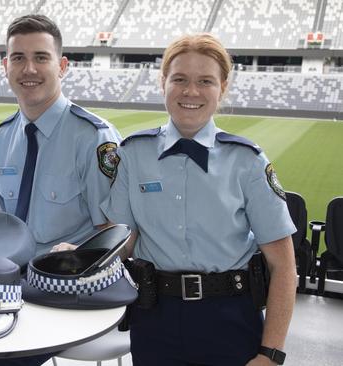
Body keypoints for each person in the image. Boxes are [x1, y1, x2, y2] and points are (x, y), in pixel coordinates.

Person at [96, 34, 296, 365]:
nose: (191, 92)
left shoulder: (247, 161)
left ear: (222, 88)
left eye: (205, 81)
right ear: (163, 82)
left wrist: (271, 353)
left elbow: (283, 265)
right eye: (180, 79)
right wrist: (81, 255)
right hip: (153, 317)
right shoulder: (133, 154)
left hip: (230, 317)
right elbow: (122, 243)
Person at [0, 14, 121, 258]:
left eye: (41, 57)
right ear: (5, 67)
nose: (29, 69)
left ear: (62, 66)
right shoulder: (1, 139)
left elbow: (115, 232)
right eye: (18, 58)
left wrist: (82, 256)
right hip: (6, 279)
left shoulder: (94, 138)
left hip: (66, 282)